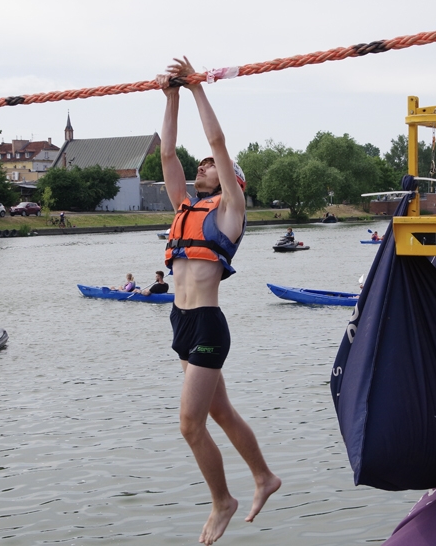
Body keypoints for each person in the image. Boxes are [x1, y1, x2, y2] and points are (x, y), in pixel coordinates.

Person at [158, 56, 280, 545]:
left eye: (211, 167)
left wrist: (195, 89)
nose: (203, 166)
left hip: (207, 325)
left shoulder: (230, 211)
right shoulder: (185, 207)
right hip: (179, 322)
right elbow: (168, 155)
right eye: (203, 167)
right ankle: (265, 477)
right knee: (220, 414)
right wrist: (168, 98)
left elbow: (218, 143)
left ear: (233, 181)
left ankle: (222, 500)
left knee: (190, 425)